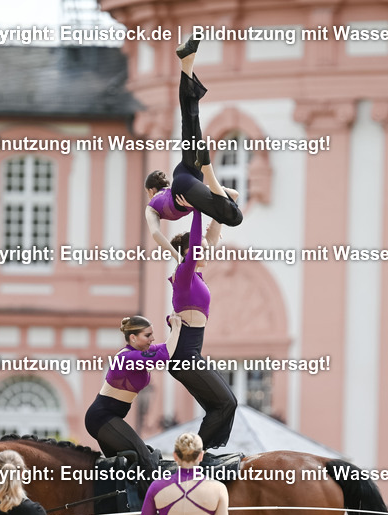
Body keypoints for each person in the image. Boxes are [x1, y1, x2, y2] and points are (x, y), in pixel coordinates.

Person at [152, 207, 236, 451]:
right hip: (183, 356)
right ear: (189, 252)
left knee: (221, 405)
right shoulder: (184, 273)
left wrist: (221, 206)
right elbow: (200, 238)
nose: (206, 251)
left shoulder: (196, 276)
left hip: (190, 354)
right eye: (199, 248)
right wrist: (198, 209)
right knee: (227, 403)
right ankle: (195, 456)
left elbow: (210, 237)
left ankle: (200, 454)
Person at [143, 39, 242, 231]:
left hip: (189, 181)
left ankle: (208, 168)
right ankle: (187, 62)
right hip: (186, 173)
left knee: (234, 218)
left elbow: (156, 233)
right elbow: (226, 197)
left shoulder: (155, 205)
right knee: (189, 121)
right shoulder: (162, 198)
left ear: (151, 191)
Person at [84, 314, 183, 479]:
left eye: (152, 334)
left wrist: (178, 328)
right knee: (143, 457)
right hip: (101, 418)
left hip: (109, 418)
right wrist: (177, 328)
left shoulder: (139, 352)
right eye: (147, 335)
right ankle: (150, 502)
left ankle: (121, 503)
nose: (152, 338)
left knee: (122, 468)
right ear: (133, 337)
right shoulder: (127, 357)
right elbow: (163, 357)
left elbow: (165, 348)